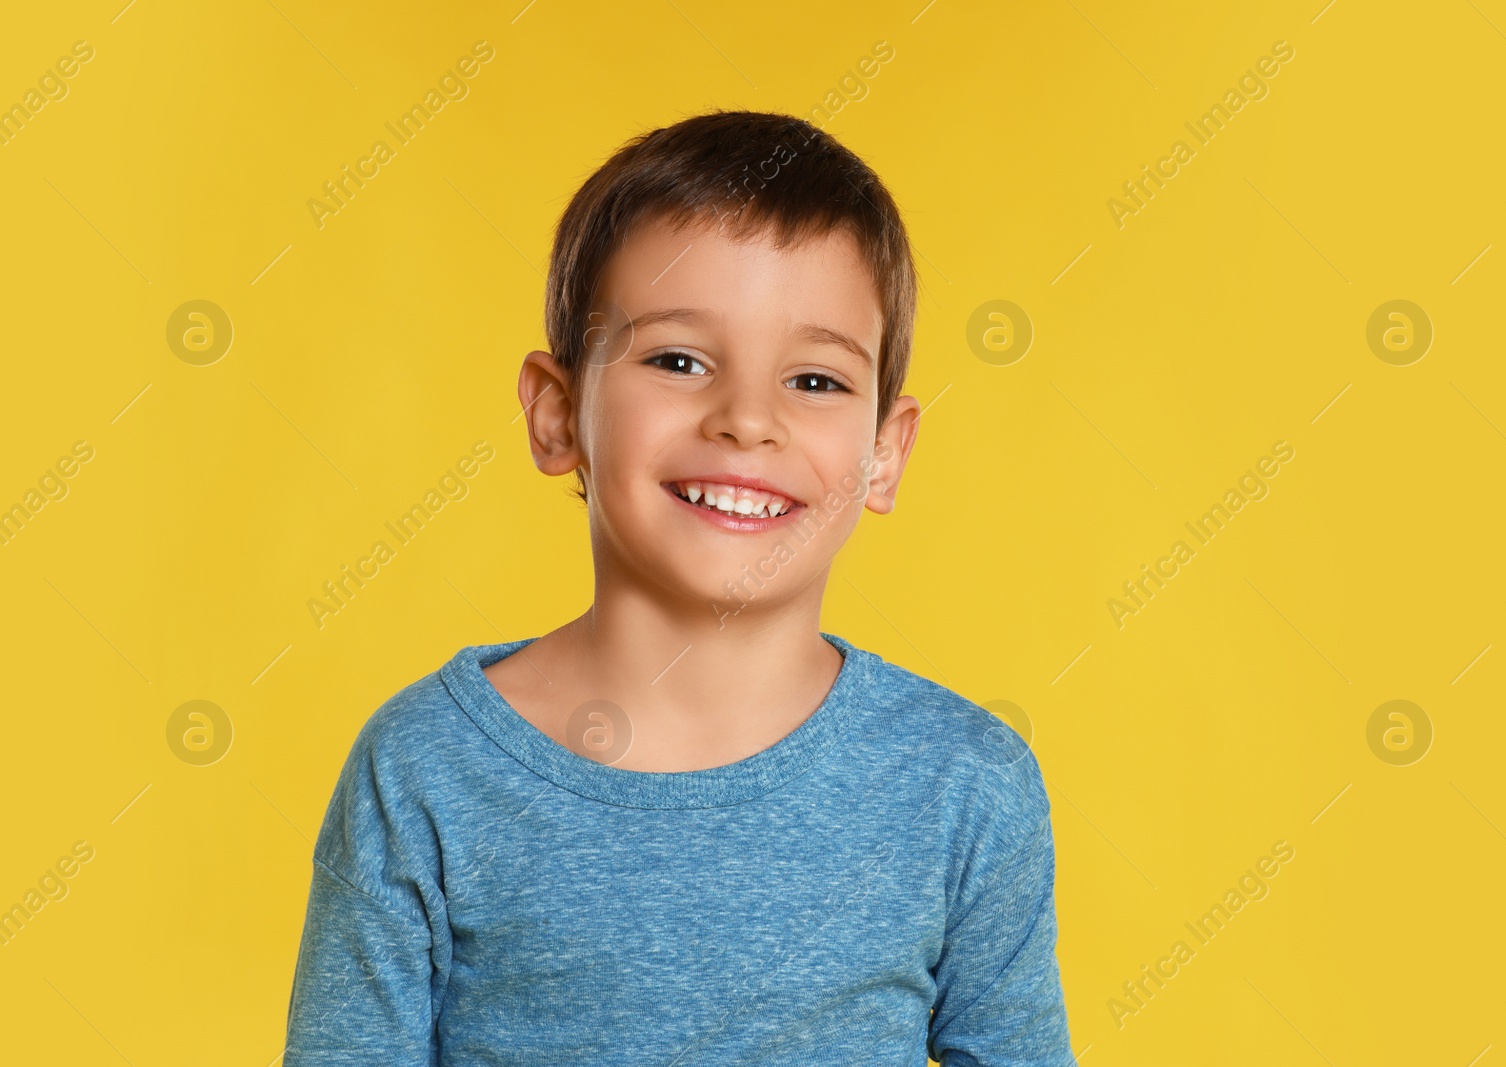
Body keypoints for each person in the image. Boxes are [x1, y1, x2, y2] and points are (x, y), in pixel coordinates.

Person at [283, 108, 1072, 1065]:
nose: (747, 419)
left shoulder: (967, 787)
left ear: (885, 455)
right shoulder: (425, 772)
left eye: (815, 380)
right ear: (558, 413)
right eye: (678, 360)